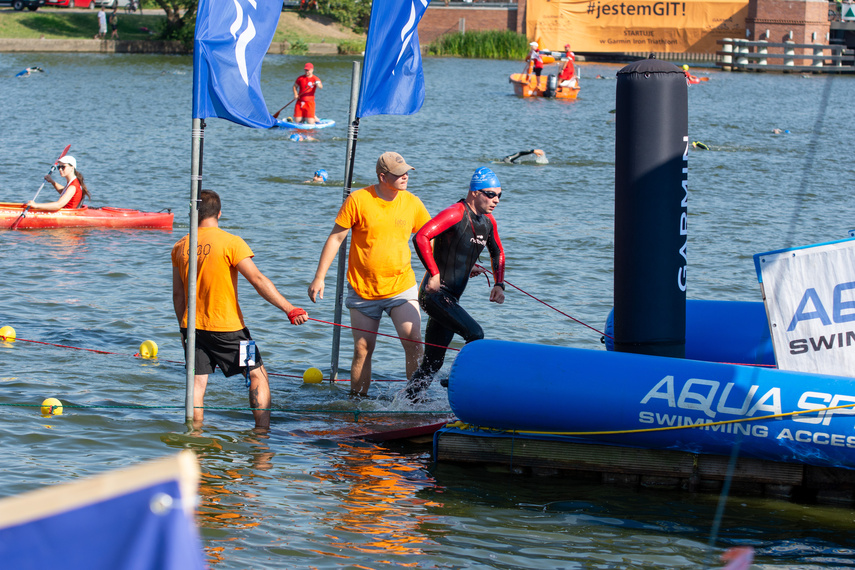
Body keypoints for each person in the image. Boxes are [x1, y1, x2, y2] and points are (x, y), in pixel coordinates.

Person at [171, 190, 308, 430]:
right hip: (230, 331)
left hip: (194, 329)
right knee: (258, 374)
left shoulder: (180, 246)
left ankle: (194, 435)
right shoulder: (231, 242)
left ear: (194, 213)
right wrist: (289, 308)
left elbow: (178, 295)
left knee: (197, 383)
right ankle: (261, 435)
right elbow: (257, 279)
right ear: (219, 213)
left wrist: (184, 330)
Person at [308, 152, 431, 397]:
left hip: (401, 285)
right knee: (363, 348)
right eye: (399, 173)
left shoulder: (412, 203)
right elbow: (336, 238)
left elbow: (430, 239)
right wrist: (319, 277)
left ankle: (416, 401)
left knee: (414, 341)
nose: (405, 176)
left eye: (406, 171)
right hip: (363, 290)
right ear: (382, 176)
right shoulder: (359, 200)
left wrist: (440, 271)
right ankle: (358, 402)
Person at [405, 167, 506, 402]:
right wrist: (434, 272)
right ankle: (459, 379)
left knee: (432, 362)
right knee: (475, 333)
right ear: (474, 192)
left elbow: (498, 252)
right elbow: (421, 236)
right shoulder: (455, 213)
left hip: (452, 299)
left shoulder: (488, 223)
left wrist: (499, 284)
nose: (496, 200)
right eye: (490, 194)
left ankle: (407, 404)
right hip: (435, 295)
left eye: (500, 195)